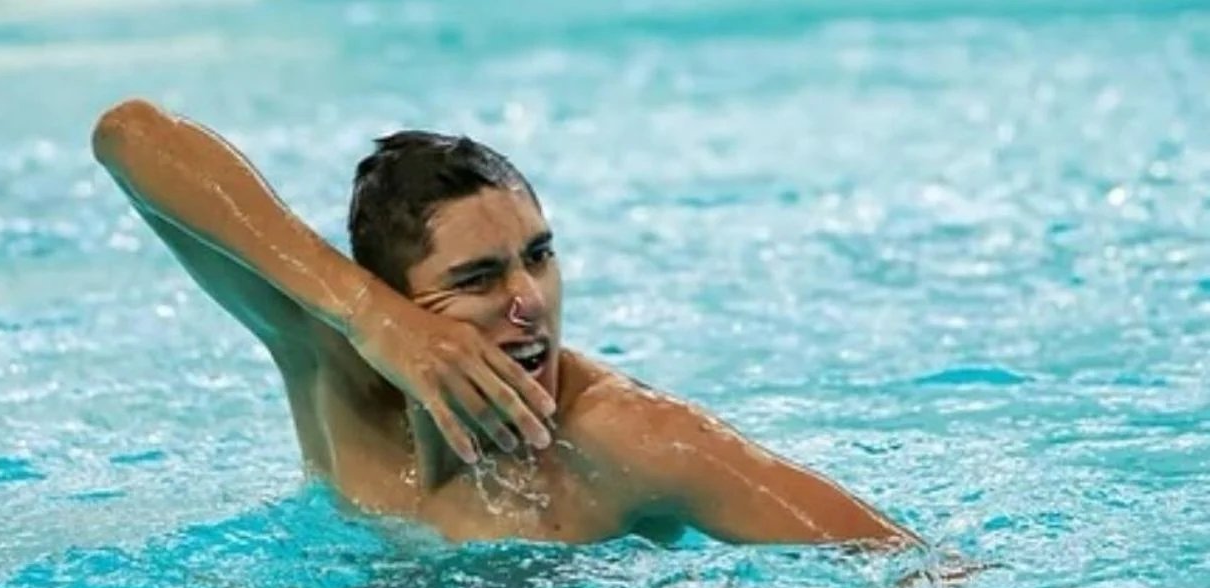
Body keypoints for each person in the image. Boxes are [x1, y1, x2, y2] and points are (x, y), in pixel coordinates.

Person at [90, 98, 922, 548]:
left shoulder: (626, 440)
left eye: (540, 256)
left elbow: (905, 568)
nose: (530, 300)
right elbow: (129, 136)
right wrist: (367, 317)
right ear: (399, 300)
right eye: (478, 278)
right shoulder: (332, 366)